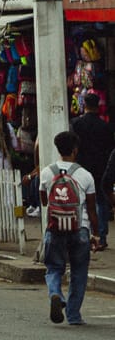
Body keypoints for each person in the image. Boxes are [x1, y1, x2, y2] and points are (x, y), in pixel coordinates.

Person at [40, 130, 99, 325]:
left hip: (54, 227)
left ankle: (56, 294)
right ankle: (74, 315)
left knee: (54, 268)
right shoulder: (85, 175)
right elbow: (91, 209)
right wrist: (96, 234)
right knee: (79, 272)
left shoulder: (47, 172)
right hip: (79, 229)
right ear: (75, 150)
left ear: (58, 149)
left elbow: (43, 201)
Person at [71, 91, 113, 251]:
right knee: (101, 201)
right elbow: (110, 148)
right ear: (98, 106)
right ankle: (101, 237)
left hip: (81, 167)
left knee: (82, 200)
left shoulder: (76, 124)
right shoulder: (106, 126)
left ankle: (84, 235)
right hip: (101, 167)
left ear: (84, 105)